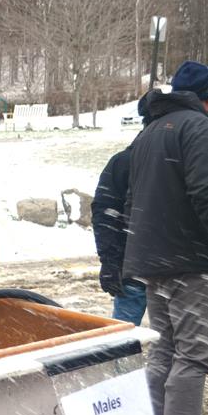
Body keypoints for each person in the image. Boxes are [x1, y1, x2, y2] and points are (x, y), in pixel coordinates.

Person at [124, 60, 208, 415]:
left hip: (155, 258)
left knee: (166, 351)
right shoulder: (198, 128)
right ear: (207, 97)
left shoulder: (150, 130)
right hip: (192, 260)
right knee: (195, 354)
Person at [91, 92, 152, 325]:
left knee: (124, 336)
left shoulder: (123, 161)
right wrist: (110, 261)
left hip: (132, 263)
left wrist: (110, 260)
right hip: (153, 267)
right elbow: (105, 210)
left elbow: (105, 212)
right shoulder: (125, 162)